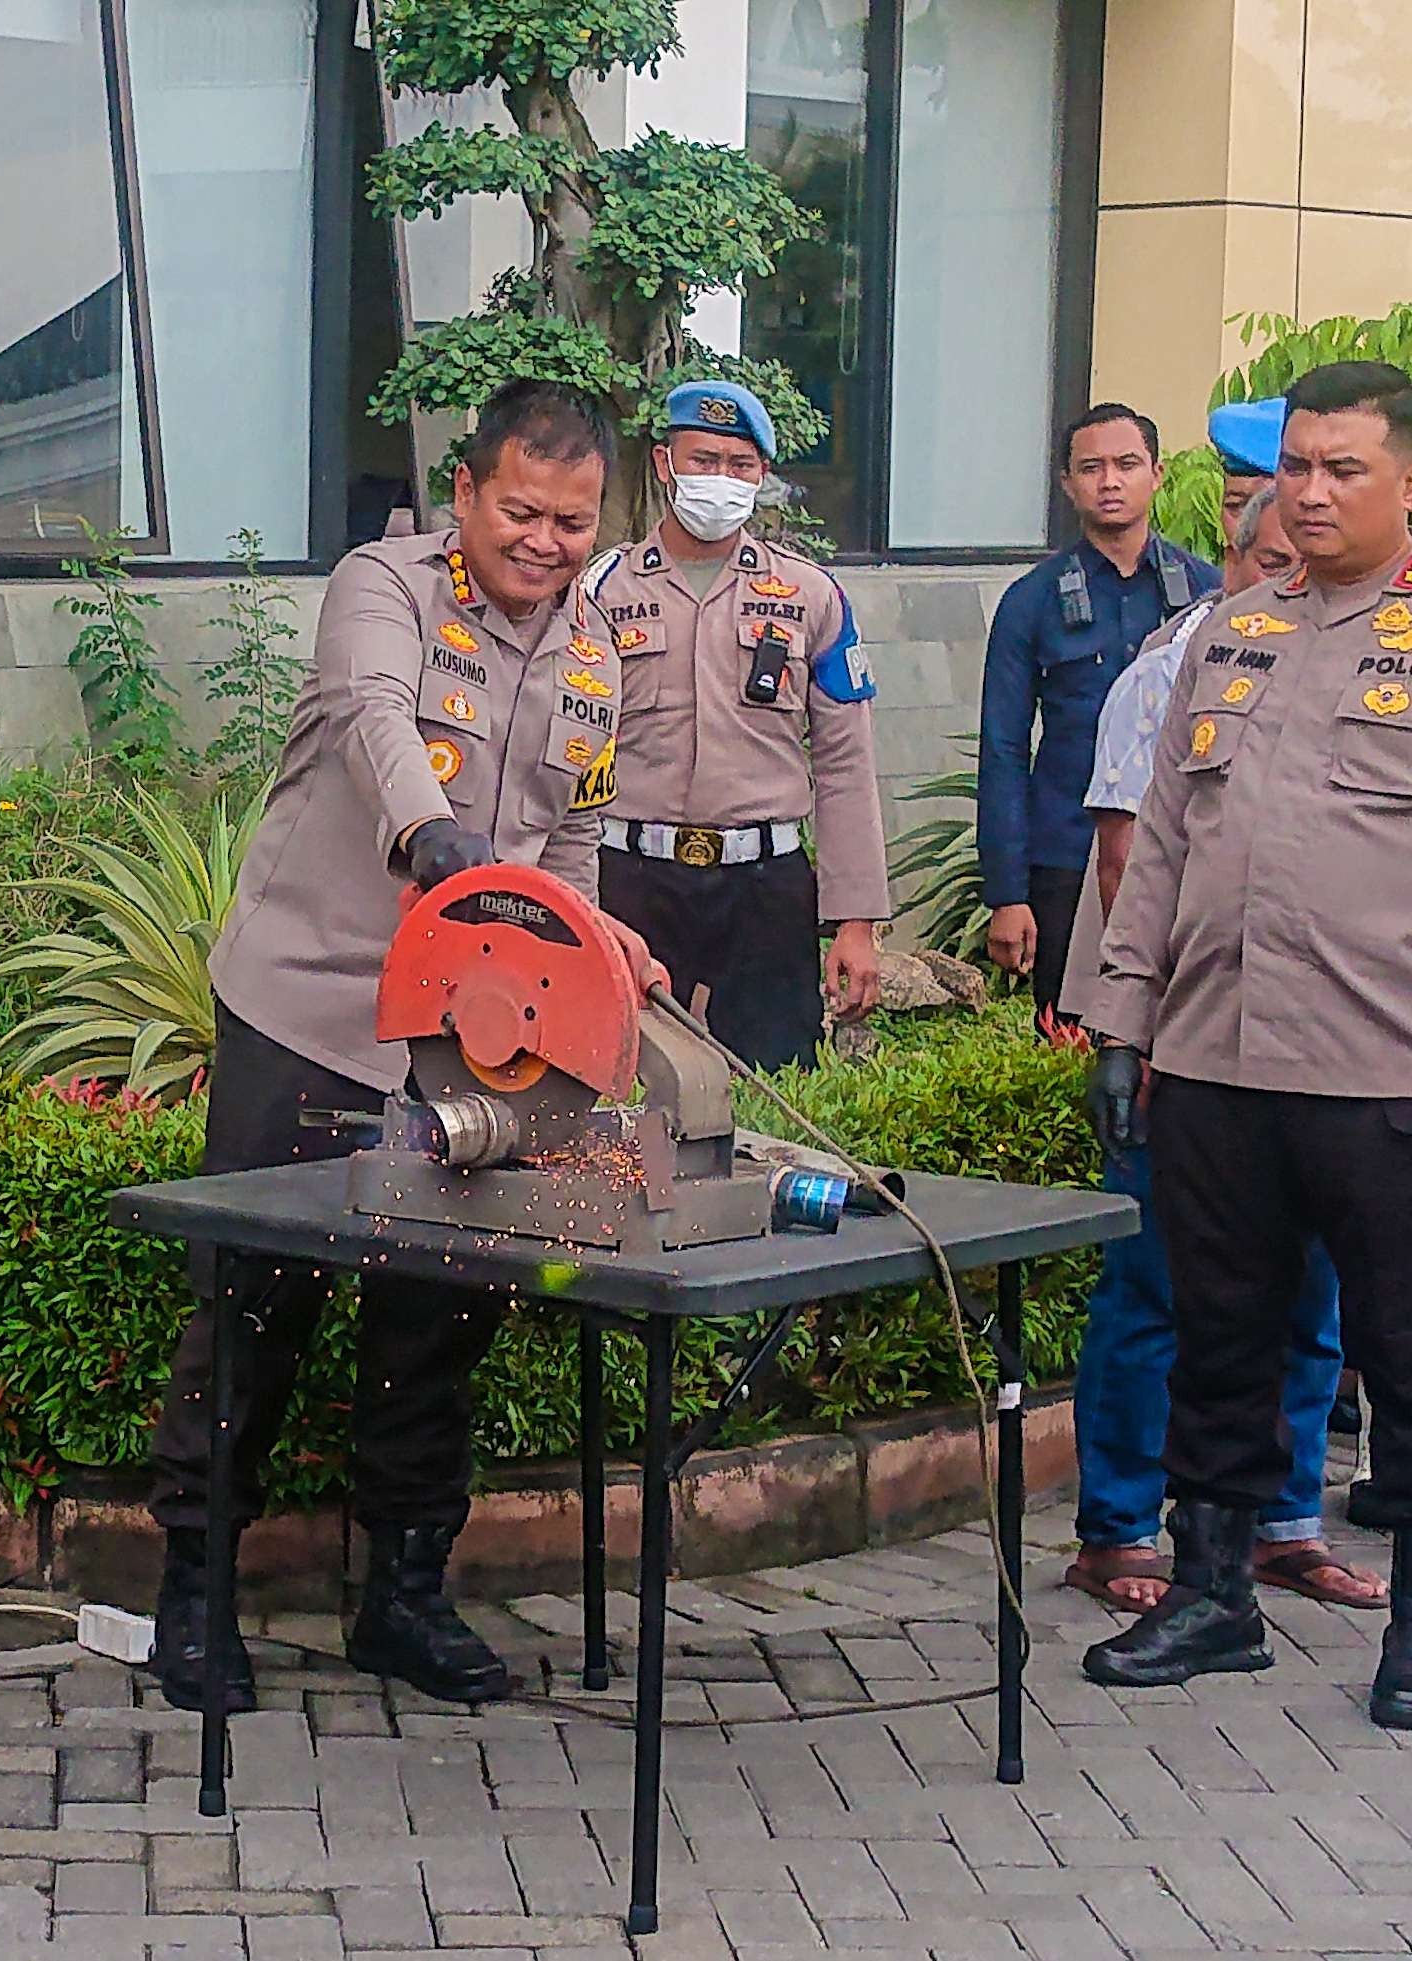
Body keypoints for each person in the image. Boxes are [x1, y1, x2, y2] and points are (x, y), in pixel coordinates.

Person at [1079, 361, 1412, 1729]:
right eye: (1292, 466)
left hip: (1398, 1073)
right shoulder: (1228, 633)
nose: (1305, 492)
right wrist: (1124, 1020)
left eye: (1341, 469)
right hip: (1222, 1066)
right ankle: (1212, 1590)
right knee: (1220, 1334)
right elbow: (1167, 848)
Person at [150, 380, 659, 1713]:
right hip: (312, 1001)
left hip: (471, 1042)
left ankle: (404, 1598)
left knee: (438, 1315)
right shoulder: (384, 584)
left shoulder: (599, 644)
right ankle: (194, 1599)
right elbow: (380, 719)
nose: (545, 542)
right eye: (521, 511)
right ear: (467, 494)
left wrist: (594, 963)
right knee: (256, 1302)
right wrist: (437, 846)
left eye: (572, 519)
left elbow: (579, 837)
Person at [1058, 468, 1384, 1617]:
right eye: (1273, 558)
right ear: (1238, 560)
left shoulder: (1374, 661)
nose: (1293, 579)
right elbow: (1126, 863)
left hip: (1322, 1041)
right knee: (1153, 1287)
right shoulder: (1174, 671)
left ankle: (1283, 1520)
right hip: (1185, 1033)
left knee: (1311, 1285)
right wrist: (1133, 1025)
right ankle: (1119, 1526)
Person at [587, 380, 890, 1071]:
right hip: (631, 880)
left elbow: (845, 766)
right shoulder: (601, 591)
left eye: (739, 465)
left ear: (761, 477)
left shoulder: (812, 596)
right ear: (664, 464)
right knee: (619, 1084)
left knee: (774, 1087)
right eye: (703, 460)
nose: (719, 480)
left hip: (765, 888)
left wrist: (856, 921)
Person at [978, 404, 1218, 1029]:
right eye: (1091, 468)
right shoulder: (1030, 602)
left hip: (1186, 851)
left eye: (1126, 464)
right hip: (1067, 856)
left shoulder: (1207, 594)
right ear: (1067, 484)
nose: (1109, 481)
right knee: (1072, 1037)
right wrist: (1008, 893)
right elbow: (1003, 749)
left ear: (1158, 474)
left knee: (1186, 1034)